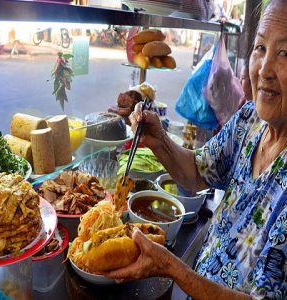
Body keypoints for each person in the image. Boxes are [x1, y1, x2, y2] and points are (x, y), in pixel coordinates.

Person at [105, 1, 287, 299]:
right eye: (260, 48)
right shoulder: (249, 120)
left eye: (285, 53)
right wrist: (159, 139)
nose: (265, 70)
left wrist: (173, 268)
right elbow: (197, 172)